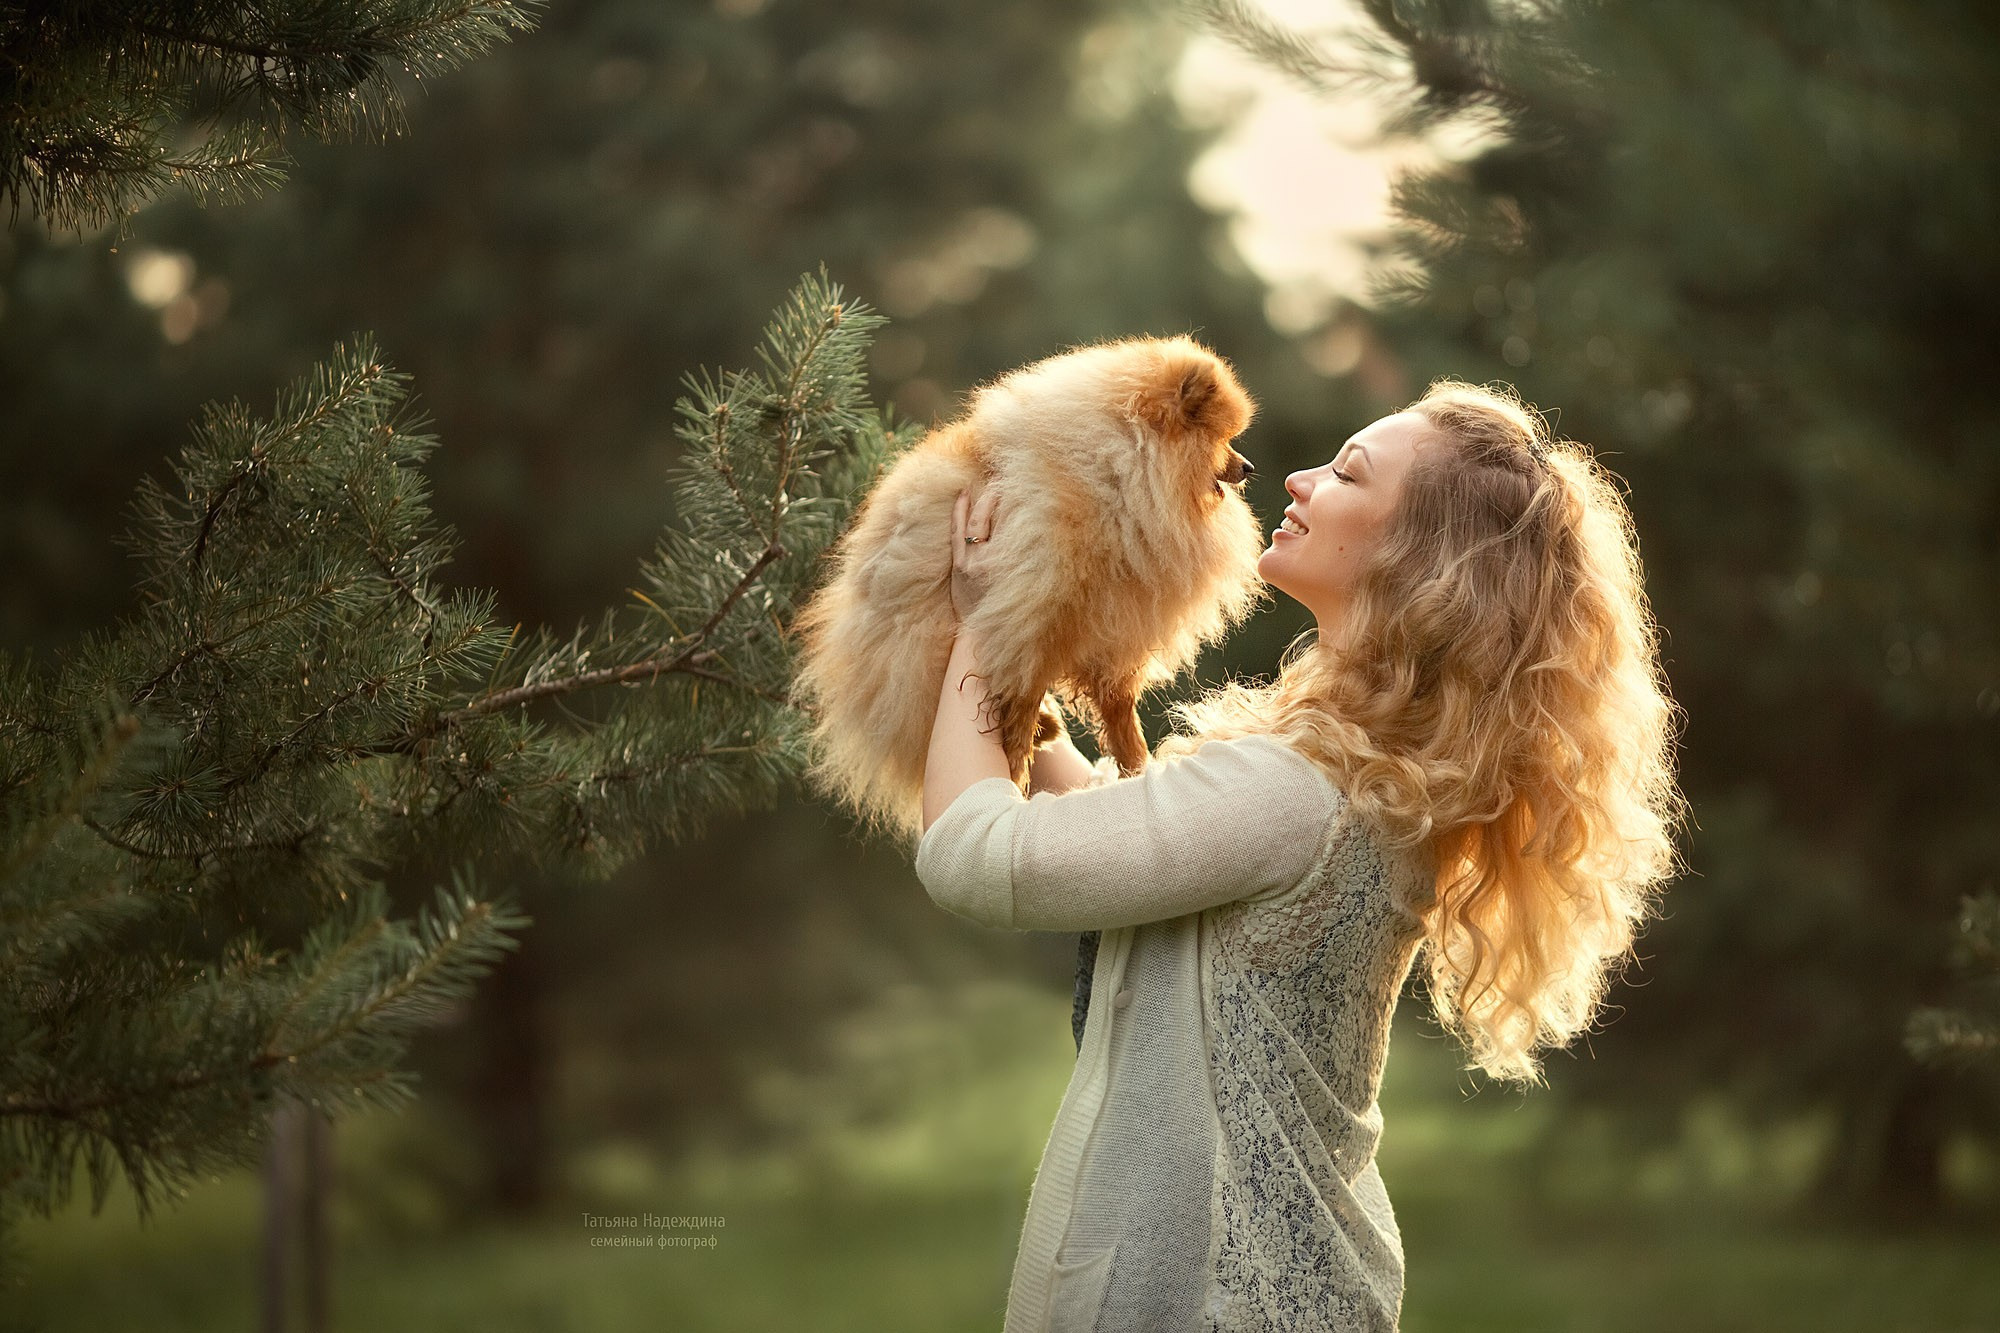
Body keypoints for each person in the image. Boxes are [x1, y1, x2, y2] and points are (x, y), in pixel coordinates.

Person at [914, 377, 1688, 1332]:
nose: (1296, 476)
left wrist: (980, 622)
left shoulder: (1296, 789)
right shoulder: (1362, 777)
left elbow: (976, 855)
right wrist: (1034, 638)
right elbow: (1131, 834)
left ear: (1417, 556)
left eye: (1346, 473)